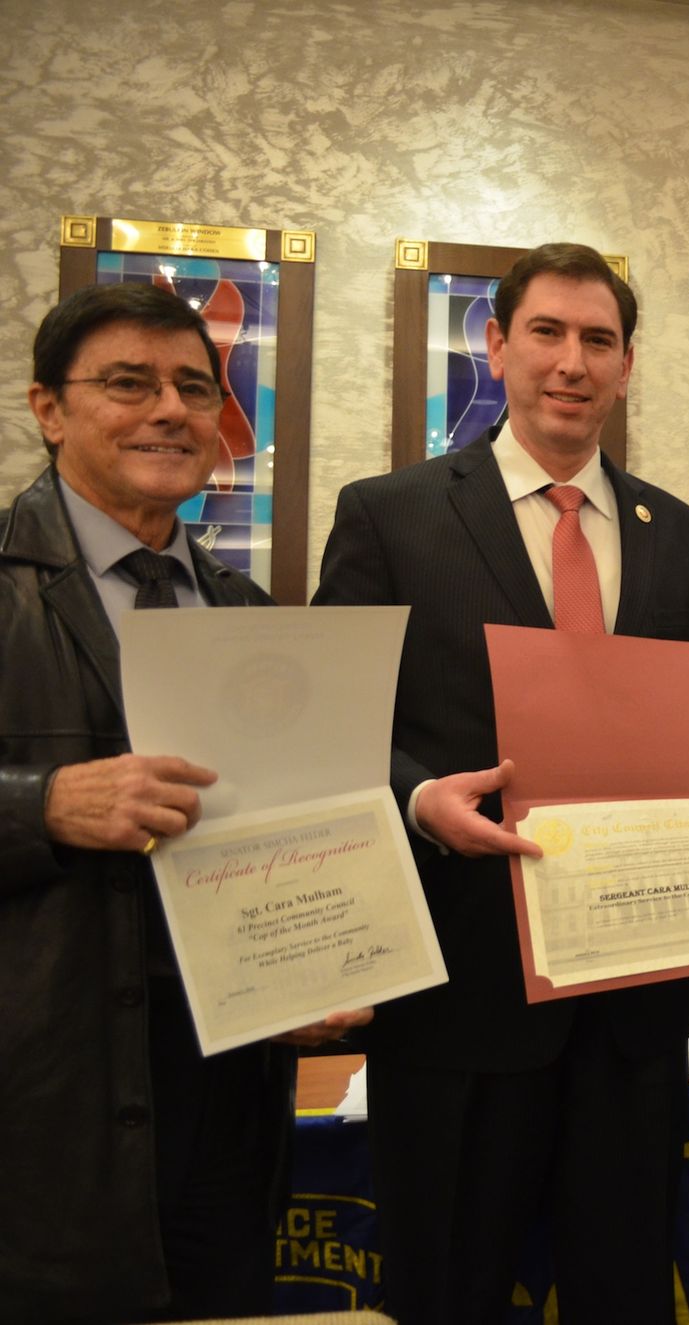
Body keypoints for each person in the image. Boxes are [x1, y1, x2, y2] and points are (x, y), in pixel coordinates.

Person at [313, 242, 689, 1324]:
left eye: (598, 340)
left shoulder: (680, 533)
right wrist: (420, 798)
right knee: (449, 1287)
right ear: (497, 345)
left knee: (622, 1291)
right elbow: (332, 732)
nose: (572, 361)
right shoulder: (391, 512)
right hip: (458, 993)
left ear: (625, 364)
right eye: (548, 333)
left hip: (631, 1006)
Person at [0, 283, 362, 1323]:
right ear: (50, 407)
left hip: (226, 1103)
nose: (169, 408)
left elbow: (282, 829)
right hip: (41, 1108)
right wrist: (43, 803)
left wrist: (318, 963)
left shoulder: (247, 612)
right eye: (128, 382)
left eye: (193, 388)